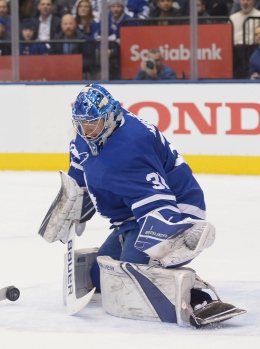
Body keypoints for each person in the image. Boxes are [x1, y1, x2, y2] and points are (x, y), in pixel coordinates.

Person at [43, 83, 246, 327]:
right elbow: (78, 180)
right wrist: (67, 210)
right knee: (100, 277)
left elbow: (158, 204)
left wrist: (167, 243)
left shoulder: (130, 147)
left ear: (109, 118)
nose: (85, 130)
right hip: (131, 217)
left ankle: (199, 297)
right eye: (80, 123)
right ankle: (128, 241)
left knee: (133, 276)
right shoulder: (85, 137)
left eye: (92, 123)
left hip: (175, 210)